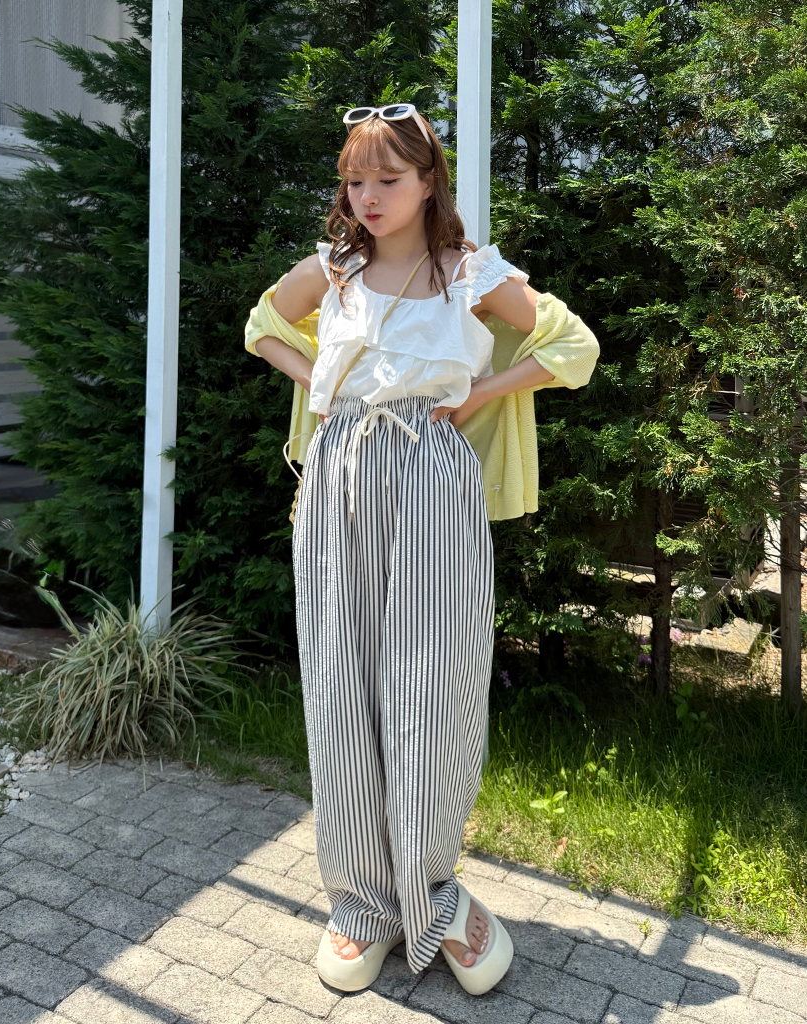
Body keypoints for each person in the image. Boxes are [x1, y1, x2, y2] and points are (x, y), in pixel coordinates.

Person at [244, 103, 599, 996]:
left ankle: (433, 888)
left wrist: (481, 392)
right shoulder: (333, 268)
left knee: (433, 684)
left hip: (430, 477)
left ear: (429, 180)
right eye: (354, 179)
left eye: (388, 178)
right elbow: (263, 325)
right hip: (338, 477)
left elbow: (573, 345)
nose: (367, 196)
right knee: (340, 682)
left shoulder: (470, 271)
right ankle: (362, 901)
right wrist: (318, 386)